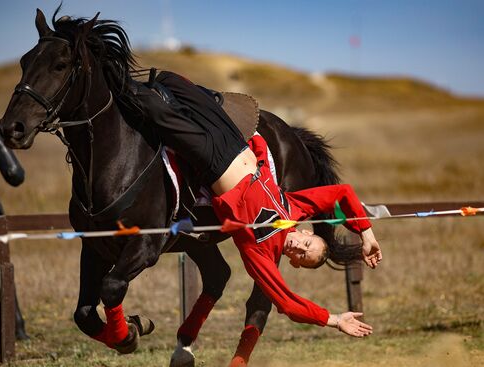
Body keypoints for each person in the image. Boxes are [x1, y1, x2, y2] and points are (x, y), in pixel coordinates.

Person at [117, 70, 382, 364]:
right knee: (172, 81)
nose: (299, 249)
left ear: (293, 261)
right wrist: (366, 234)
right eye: (307, 246)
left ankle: (105, 76)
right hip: (236, 142)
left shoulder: (261, 256)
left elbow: (288, 305)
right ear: (306, 233)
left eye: (302, 257)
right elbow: (341, 193)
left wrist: (334, 320)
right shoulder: (294, 208)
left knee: (157, 112)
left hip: (214, 162)